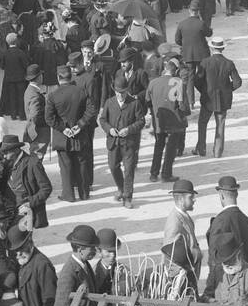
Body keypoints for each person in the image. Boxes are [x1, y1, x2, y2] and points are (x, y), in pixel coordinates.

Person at [46, 65, 95, 203]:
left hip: (62, 137)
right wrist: (80, 125)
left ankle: (68, 195)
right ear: (70, 76)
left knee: (65, 166)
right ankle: (84, 193)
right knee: (82, 163)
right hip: (80, 135)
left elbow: (49, 118)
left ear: (58, 78)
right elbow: (91, 110)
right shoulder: (81, 91)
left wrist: (63, 129)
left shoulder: (52, 96)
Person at [204, 175, 248, 293]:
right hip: (247, 282)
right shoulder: (247, 221)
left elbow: (214, 260)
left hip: (226, 285)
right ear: (237, 194)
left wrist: (210, 290)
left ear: (221, 195)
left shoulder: (219, 222)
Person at [100, 71, 147, 209]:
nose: (121, 95)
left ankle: (127, 197)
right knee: (113, 166)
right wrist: (109, 129)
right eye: (118, 92)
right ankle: (121, 188)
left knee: (129, 170)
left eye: (123, 92)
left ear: (127, 90)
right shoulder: (109, 102)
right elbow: (102, 120)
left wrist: (129, 129)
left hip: (129, 143)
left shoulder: (135, 103)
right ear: (114, 90)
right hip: (113, 142)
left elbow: (141, 121)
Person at [9, 226, 58, 306]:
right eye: (15, 251)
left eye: (21, 249)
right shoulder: (21, 261)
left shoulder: (42, 265)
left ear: (30, 242)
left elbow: (50, 300)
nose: (18, 254)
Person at [51, 224, 99, 306]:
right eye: (91, 248)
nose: (95, 251)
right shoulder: (69, 273)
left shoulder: (85, 264)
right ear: (80, 249)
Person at [148, 58, 189, 183]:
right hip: (174, 121)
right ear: (175, 71)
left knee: (158, 146)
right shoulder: (178, 82)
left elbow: (148, 101)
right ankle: (166, 174)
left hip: (158, 120)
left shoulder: (153, 82)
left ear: (165, 70)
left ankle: (153, 174)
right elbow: (182, 105)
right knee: (171, 149)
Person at [1, 135, 53, 229]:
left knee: (24, 239)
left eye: (7, 152)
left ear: (16, 150)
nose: (4, 156)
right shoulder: (7, 163)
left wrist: (30, 202)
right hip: (10, 210)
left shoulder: (33, 163)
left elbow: (46, 188)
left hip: (27, 211)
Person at [207, 238, 248, 306]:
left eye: (230, 259)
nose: (227, 264)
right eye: (223, 261)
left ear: (239, 255)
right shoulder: (217, 272)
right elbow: (206, 297)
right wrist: (214, 303)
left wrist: (240, 305)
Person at [163, 179, 202, 290]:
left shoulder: (183, 215)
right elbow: (170, 254)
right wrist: (179, 280)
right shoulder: (174, 222)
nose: (194, 200)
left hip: (190, 273)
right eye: (191, 197)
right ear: (180, 199)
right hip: (182, 279)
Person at [0, 33, 30, 120]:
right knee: (21, 96)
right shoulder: (21, 53)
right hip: (21, 79)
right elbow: (26, 65)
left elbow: (2, 66)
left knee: (12, 96)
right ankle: (22, 115)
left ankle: (13, 115)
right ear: (16, 41)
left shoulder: (5, 53)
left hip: (9, 79)